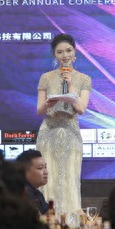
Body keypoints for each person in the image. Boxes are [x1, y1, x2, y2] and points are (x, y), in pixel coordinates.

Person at [36, 33, 91, 215]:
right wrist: (48, 103)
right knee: (48, 180)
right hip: (49, 133)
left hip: (70, 133)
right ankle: (48, 223)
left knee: (69, 180)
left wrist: (71, 87)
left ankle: (71, 224)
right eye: (60, 52)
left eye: (68, 51)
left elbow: (81, 108)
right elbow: (39, 110)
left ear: (75, 52)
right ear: (54, 55)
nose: (65, 55)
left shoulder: (84, 79)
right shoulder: (46, 78)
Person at [16, 149, 49, 215]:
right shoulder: (22, 195)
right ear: (24, 171)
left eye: (45, 167)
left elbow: (48, 215)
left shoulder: (37, 193)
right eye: (40, 168)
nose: (46, 172)